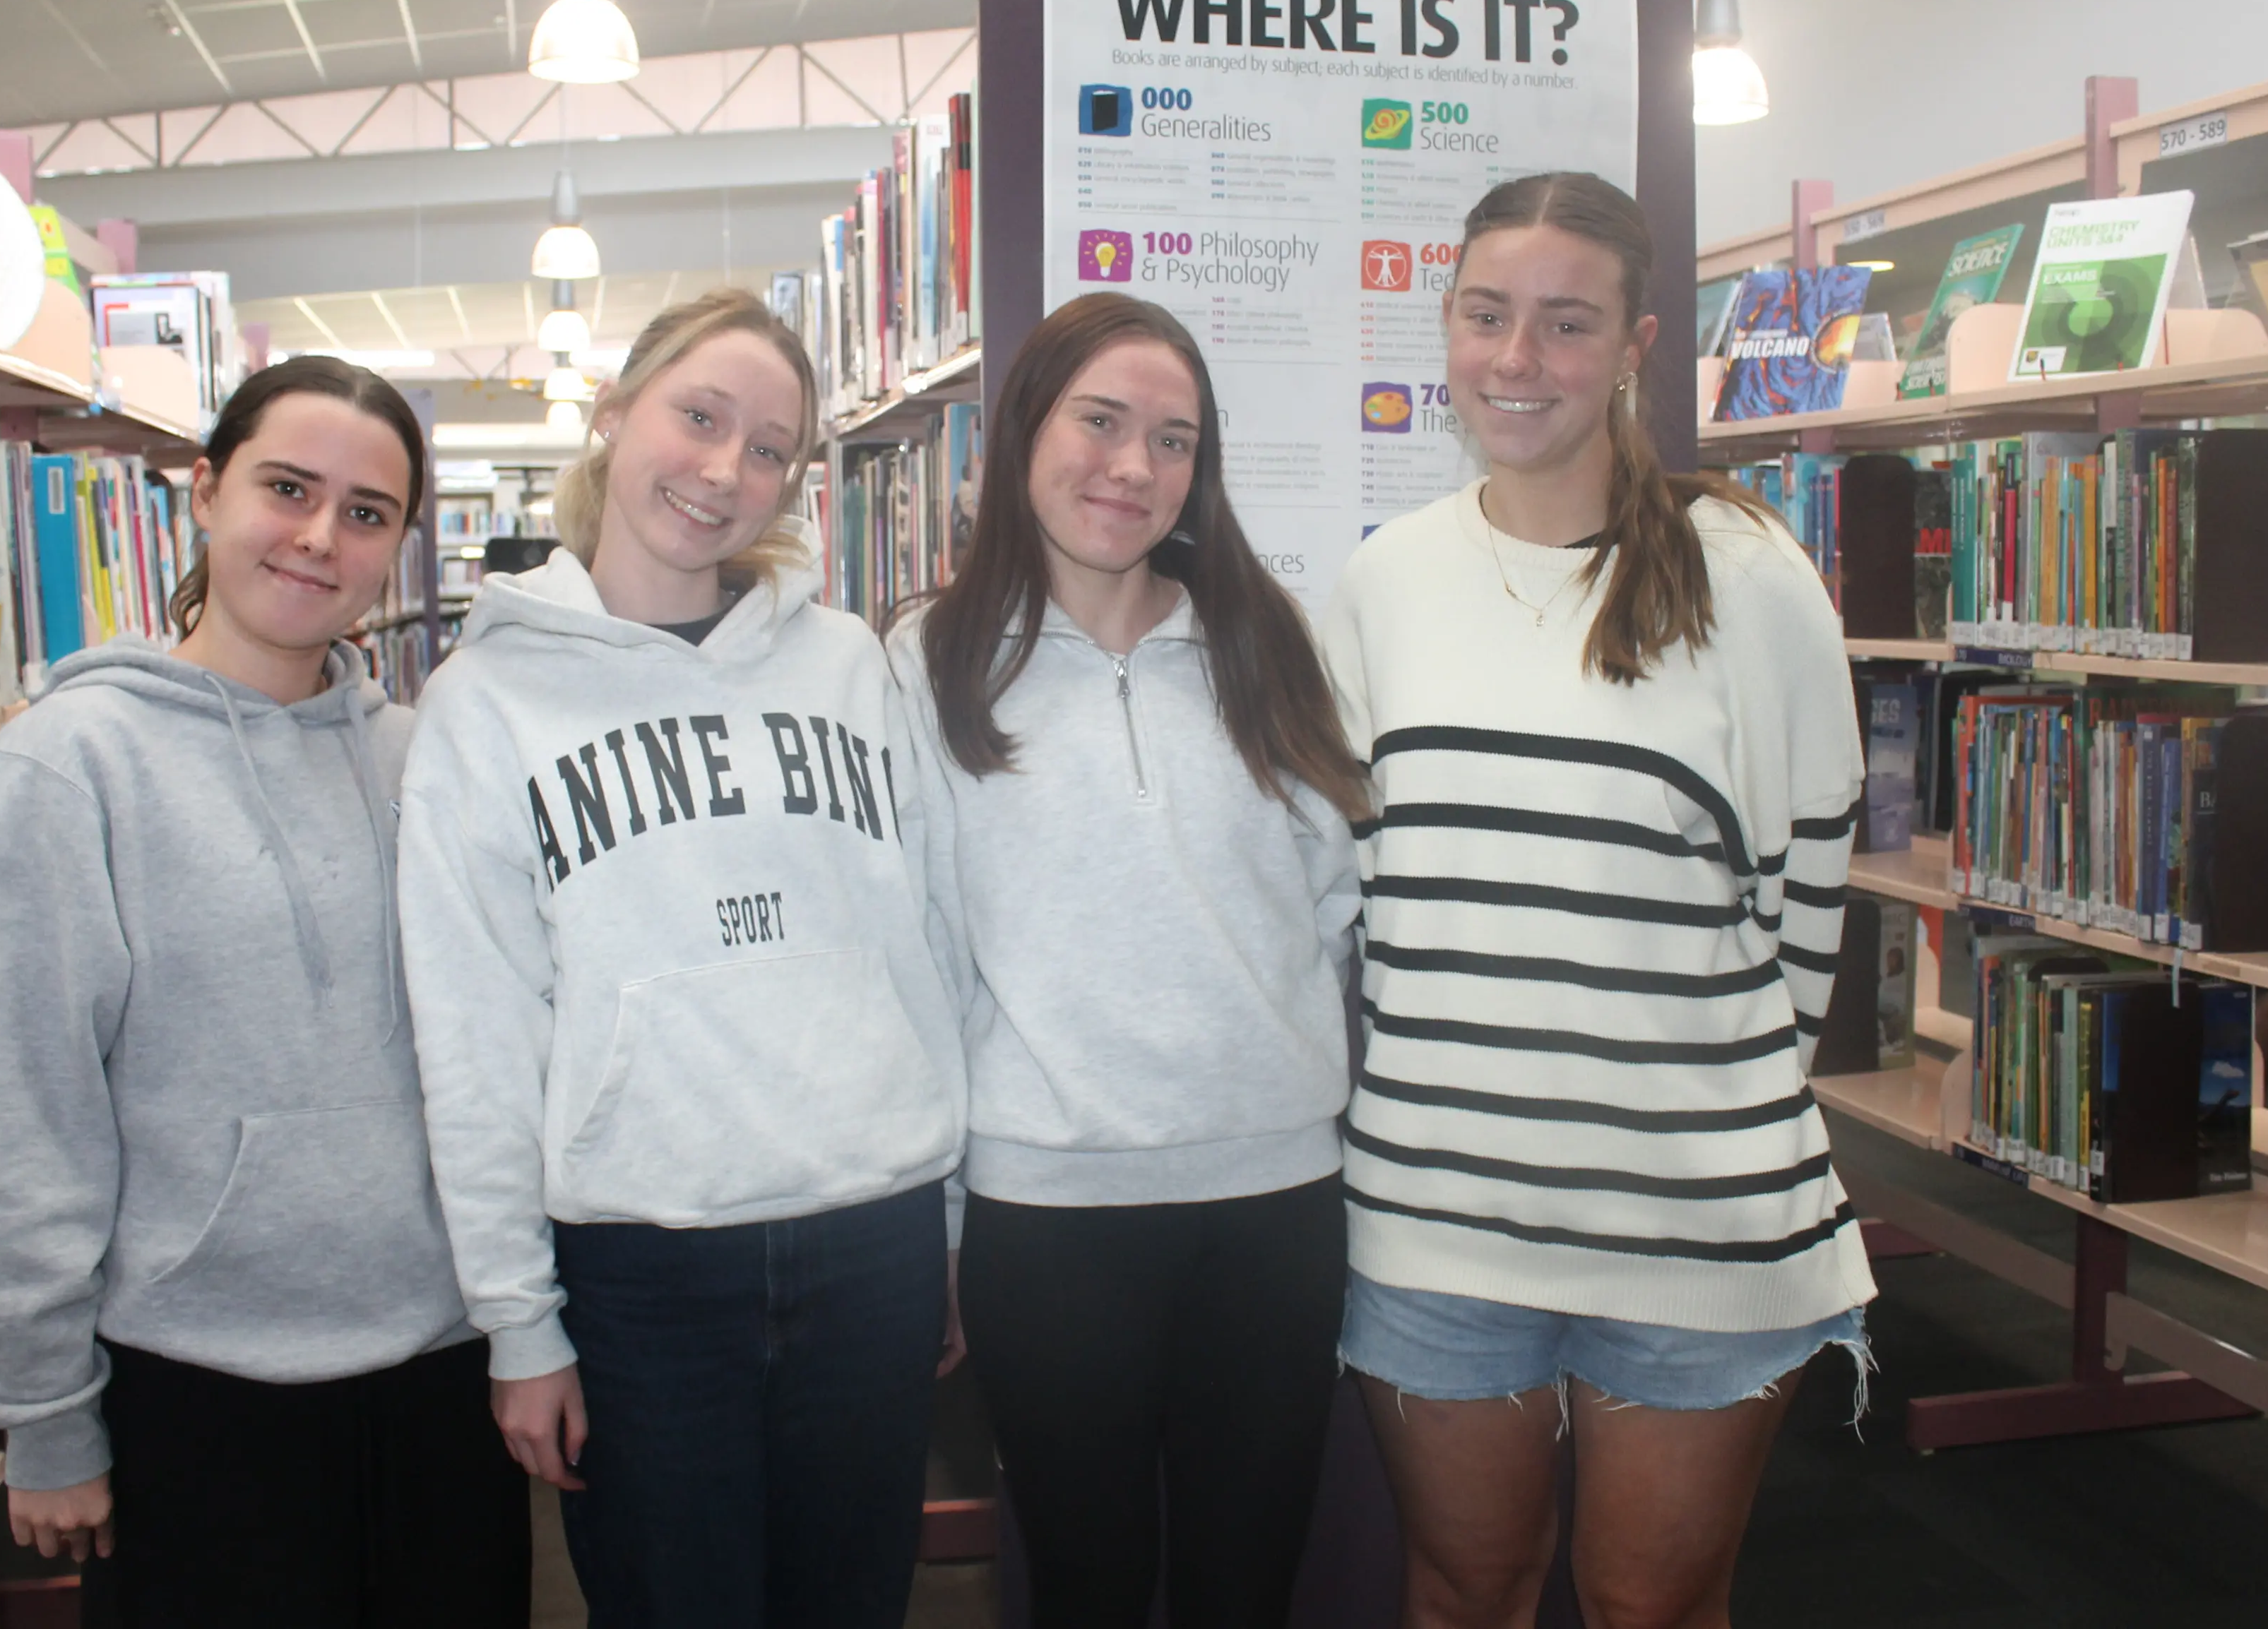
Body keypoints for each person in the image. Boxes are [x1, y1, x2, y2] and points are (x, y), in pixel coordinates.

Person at [1319, 172, 1873, 1629]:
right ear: (1444, 324)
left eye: (1567, 324)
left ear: (1634, 343)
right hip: (1438, 1214)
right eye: (1488, 315)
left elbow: (1805, 907)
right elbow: (1373, 901)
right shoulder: (1384, 584)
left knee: (1652, 1605)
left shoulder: (1749, 579)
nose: (1518, 360)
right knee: (1465, 1590)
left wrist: (1685, 1098)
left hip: (1698, 1216)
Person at [0, 357, 530, 1628]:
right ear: (205, 493)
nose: (320, 538)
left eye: (367, 513)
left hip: (440, 1373)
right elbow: (9, 1112)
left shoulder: (422, 761)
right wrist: (40, 1414)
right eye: (287, 488)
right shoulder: (67, 771)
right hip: (194, 1391)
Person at [396, 290, 966, 1629]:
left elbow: (920, 943)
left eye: (769, 448)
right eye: (698, 418)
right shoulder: (486, 706)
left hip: (870, 1241)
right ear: (615, 412)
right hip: (642, 1275)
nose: (725, 472)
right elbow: (472, 1030)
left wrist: (944, 1227)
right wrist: (520, 1323)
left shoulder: (846, 668)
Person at [893, 292, 1366, 1628]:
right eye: (1101, 422)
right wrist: (939, 1231)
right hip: (1048, 1224)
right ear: (1023, 427)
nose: (1134, 468)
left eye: (1173, 440)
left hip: (1273, 1211)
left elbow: (1332, 910)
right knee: (1086, 1587)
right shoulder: (922, 666)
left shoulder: (1269, 645)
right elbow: (922, 963)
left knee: (1244, 1586)